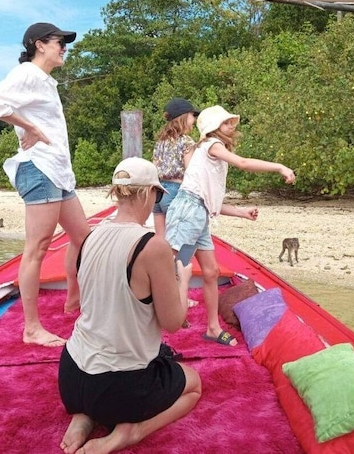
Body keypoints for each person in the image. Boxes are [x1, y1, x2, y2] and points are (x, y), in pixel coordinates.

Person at [58, 157, 201, 454]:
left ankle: (83, 416)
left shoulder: (88, 236)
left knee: (101, 371)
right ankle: (132, 431)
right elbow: (173, 323)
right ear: (149, 193)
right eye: (158, 195)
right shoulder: (152, 246)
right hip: (118, 387)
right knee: (194, 383)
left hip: (71, 377)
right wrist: (182, 280)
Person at [0, 22, 91, 347]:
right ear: (39, 45)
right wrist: (29, 128)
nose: (64, 47)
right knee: (37, 249)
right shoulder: (27, 73)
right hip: (38, 169)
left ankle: (74, 295)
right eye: (60, 42)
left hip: (57, 171)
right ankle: (31, 328)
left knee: (82, 237)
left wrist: (32, 127)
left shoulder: (45, 81)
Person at [165, 105, 296, 346]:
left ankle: (213, 328)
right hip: (188, 213)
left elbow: (209, 201)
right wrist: (279, 167)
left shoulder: (212, 152)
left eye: (231, 122)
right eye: (226, 123)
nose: (231, 127)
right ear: (214, 129)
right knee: (177, 269)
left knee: (211, 272)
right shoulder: (212, 145)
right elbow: (243, 163)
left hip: (199, 215)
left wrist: (242, 213)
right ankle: (163, 324)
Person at [151, 97, 200, 237]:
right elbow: (190, 171)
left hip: (158, 191)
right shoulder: (186, 142)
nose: (194, 119)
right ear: (183, 117)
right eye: (192, 115)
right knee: (182, 238)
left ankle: (160, 259)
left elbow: (154, 166)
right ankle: (180, 260)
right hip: (175, 191)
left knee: (161, 238)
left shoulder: (160, 141)